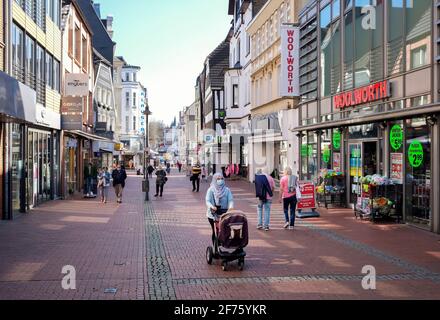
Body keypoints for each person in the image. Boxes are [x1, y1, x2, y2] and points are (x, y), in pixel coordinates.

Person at [205, 173, 234, 246]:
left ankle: (224, 243)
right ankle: (216, 246)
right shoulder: (211, 190)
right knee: (215, 231)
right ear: (215, 180)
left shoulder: (227, 190)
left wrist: (231, 207)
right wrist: (212, 206)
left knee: (224, 229)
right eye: (218, 179)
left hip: (224, 214)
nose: (220, 180)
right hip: (213, 214)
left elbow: (230, 200)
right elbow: (207, 201)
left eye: (221, 178)